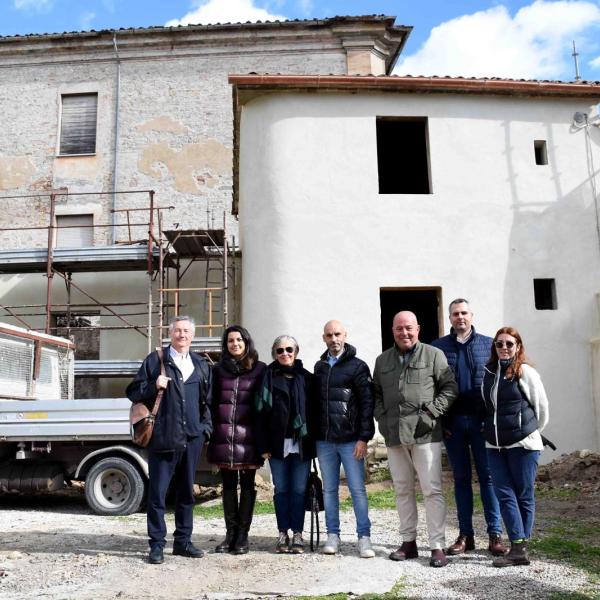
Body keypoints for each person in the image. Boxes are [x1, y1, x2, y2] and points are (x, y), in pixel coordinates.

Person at [373, 311, 457, 568]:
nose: (404, 333)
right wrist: (382, 417)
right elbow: (376, 393)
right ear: (393, 331)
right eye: (399, 329)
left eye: (409, 328)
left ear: (418, 329)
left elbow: (450, 387)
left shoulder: (433, 355)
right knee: (402, 489)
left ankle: (436, 545)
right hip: (395, 434)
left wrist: (432, 413)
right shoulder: (382, 359)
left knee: (431, 490)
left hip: (425, 434)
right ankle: (408, 542)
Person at [126, 315, 212, 565]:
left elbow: (208, 401)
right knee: (158, 495)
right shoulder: (155, 361)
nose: (182, 335)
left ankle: (183, 542)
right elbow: (133, 392)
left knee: (187, 493)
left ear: (192, 336)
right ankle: (157, 545)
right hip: (163, 439)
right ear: (170, 334)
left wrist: (205, 429)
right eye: (177, 331)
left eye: (186, 331)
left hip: (192, 440)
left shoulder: (201, 363)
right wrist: (154, 385)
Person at [431, 299, 506, 556]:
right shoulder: (438, 348)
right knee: (461, 479)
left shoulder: (489, 344)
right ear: (449, 318)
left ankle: (495, 534)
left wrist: (493, 419)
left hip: (482, 423)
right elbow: (433, 388)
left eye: (464, 313)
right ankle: (465, 535)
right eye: (455, 314)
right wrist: (441, 422)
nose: (460, 317)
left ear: (472, 315)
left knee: (488, 478)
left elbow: (499, 383)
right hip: (453, 424)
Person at [481, 326, 549, 567]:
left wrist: (528, 432)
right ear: (495, 348)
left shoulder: (526, 372)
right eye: (499, 344)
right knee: (504, 493)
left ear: (518, 346)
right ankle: (518, 545)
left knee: (524, 494)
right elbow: (488, 407)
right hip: (494, 445)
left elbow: (541, 410)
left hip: (523, 443)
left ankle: (520, 547)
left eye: (509, 343)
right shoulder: (489, 372)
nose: (504, 348)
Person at [313, 320, 376, 559]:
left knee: (357, 490)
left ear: (345, 335)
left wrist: (363, 438)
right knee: (329, 490)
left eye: (337, 334)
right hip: (325, 441)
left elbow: (367, 403)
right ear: (324, 338)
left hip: (351, 441)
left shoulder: (358, 366)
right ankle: (333, 535)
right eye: (329, 335)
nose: (334, 339)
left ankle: (364, 538)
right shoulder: (319, 367)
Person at [207, 325, 266, 555]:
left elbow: (264, 405)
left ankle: (243, 536)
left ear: (246, 342)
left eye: (239, 340)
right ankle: (230, 534)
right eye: (231, 341)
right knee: (229, 486)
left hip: (249, 437)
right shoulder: (218, 370)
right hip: (224, 437)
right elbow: (212, 403)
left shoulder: (260, 369)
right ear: (226, 345)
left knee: (248, 485)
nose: (235, 344)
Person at [256, 335, 315, 554]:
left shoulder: (307, 379)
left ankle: (298, 534)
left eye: (289, 349)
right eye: (279, 350)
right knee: (281, 490)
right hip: (276, 444)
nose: (285, 354)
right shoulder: (267, 378)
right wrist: (263, 446)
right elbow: (260, 415)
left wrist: (314, 445)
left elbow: (314, 415)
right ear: (274, 354)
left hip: (301, 444)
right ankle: (282, 532)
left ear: (296, 351)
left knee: (299, 490)